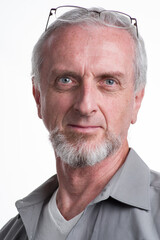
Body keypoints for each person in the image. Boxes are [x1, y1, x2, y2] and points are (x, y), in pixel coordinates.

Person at [1, 5, 160, 240]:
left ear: (136, 101)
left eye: (109, 82)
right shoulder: (12, 234)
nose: (85, 106)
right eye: (66, 80)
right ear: (38, 98)